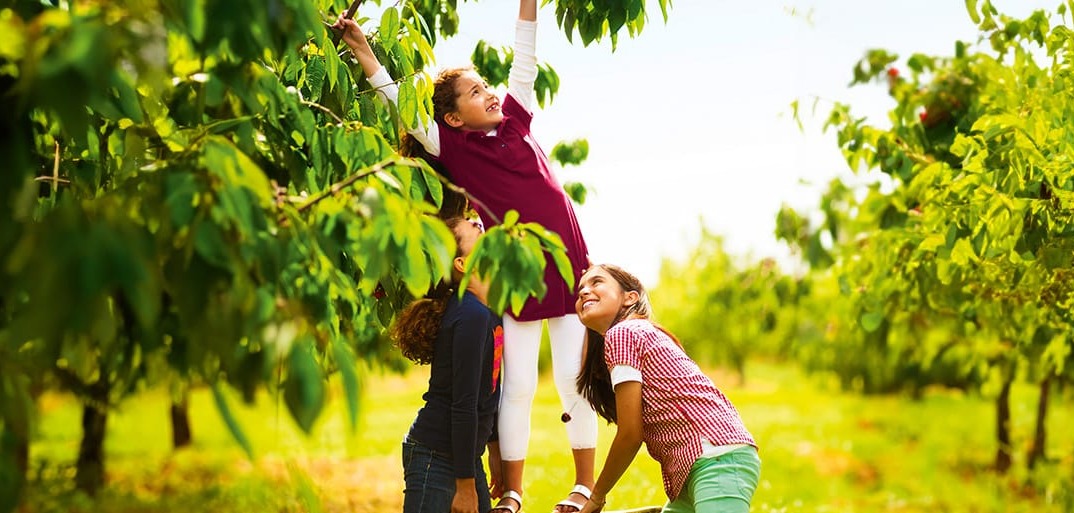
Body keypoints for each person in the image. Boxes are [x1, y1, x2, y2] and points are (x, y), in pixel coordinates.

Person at [336, 2, 597, 512]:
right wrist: (363, 49)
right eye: (476, 92)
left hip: (568, 263)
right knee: (516, 385)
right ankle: (513, 489)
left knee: (572, 376)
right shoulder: (451, 147)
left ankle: (584, 484)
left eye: (485, 85)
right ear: (454, 116)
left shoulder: (518, 120)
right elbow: (398, 103)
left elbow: (525, 55)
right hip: (514, 277)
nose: (490, 92)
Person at [573, 264, 761, 513]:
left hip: (715, 458)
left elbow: (630, 435)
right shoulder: (635, 333)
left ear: (630, 297)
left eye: (596, 282)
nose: (585, 291)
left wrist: (597, 497)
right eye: (580, 290)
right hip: (696, 464)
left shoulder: (623, 333)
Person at [390, 216, 504, 513]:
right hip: (436, 456)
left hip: (463, 456)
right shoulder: (470, 315)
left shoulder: (486, 313)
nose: (482, 227)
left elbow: (486, 393)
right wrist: (465, 485)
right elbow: (463, 401)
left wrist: (493, 450)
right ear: (462, 264)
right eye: (475, 230)